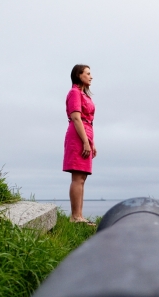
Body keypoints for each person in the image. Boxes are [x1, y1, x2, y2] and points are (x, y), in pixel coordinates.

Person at [63, 64, 97, 225]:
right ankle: (75, 217)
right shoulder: (74, 93)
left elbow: (89, 120)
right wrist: (85, 142)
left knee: (82, 177)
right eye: (88, 73)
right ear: (79, 75)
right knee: (77, 177)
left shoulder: (85, 95)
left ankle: (79, 216)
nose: (91, 76)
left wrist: (92, 143)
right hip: (78, 136)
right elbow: (76, 118)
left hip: (86, 134)